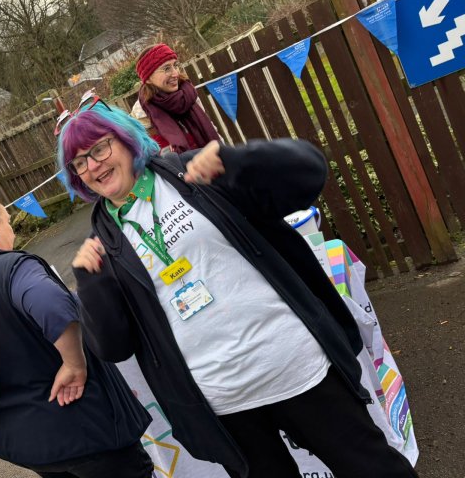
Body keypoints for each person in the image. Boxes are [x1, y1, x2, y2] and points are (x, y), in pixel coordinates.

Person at [57, 102, 419, 478]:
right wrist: (91, 282)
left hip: (296, 365)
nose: (92, 166)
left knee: (374, 468)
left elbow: (309, 173)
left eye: (99, 148)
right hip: (223, 402)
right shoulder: (101, 245)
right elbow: (114, 346)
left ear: (127, 139)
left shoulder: (192, 173)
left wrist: (238, 160)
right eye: (79, 163)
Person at [0, 185, 153, 478]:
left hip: (26, 444)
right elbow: (52, 305)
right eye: (8, 222)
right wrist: (74, 363)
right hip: (85, 431)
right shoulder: (13, 268)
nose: (11, 231)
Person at [136, 43, 221, 152]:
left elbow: (212, 130)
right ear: (148, 79)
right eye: (166, 68)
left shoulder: (187, 94)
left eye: (175, 65)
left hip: (216, 159)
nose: (175, 73)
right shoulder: (142, 115)